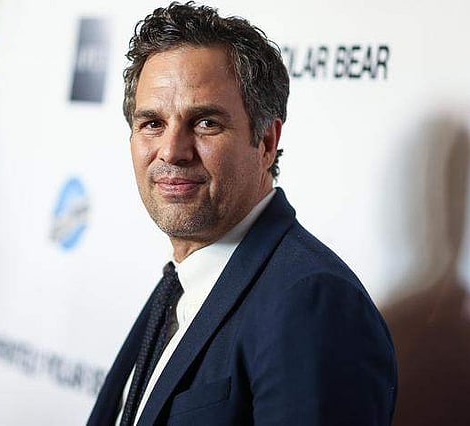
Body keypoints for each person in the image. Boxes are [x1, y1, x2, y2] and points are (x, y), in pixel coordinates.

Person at [88, 2, 397, 425]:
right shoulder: (180, 282)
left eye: (205, 123)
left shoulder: (313, 303)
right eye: (152, 123)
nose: (172, 151)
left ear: (266, 142)